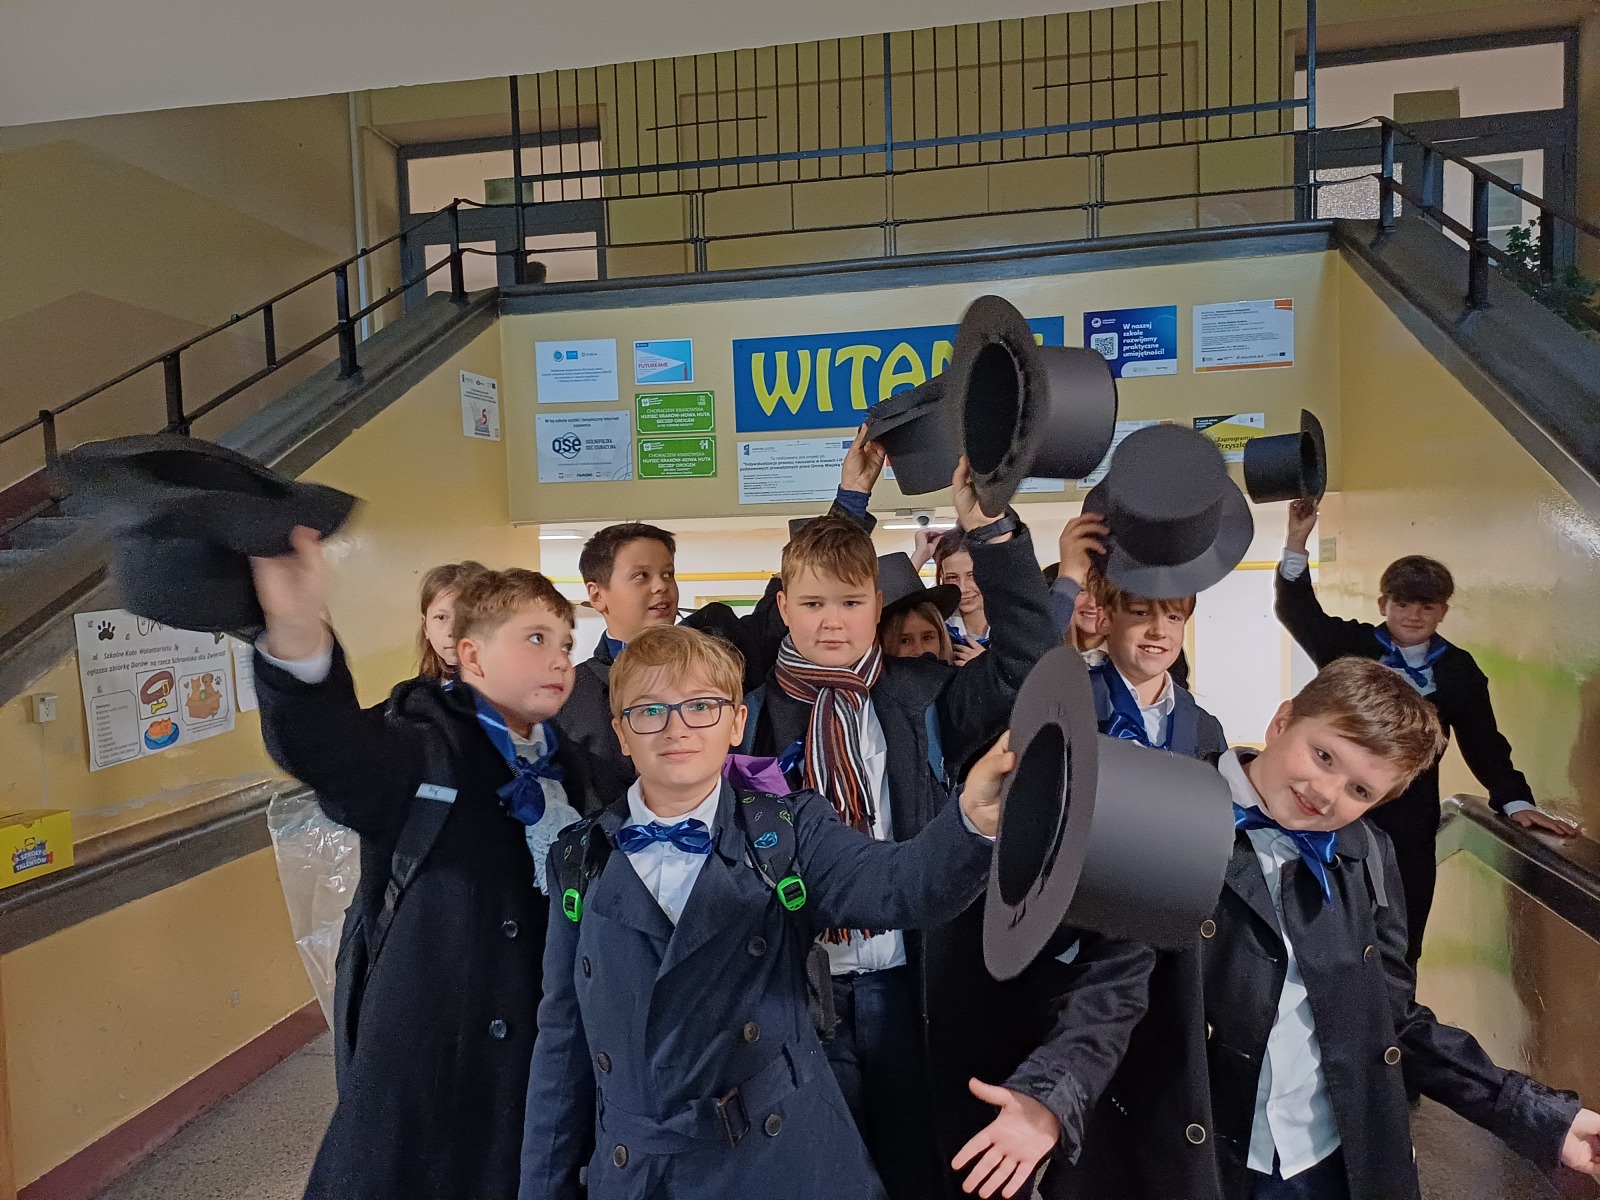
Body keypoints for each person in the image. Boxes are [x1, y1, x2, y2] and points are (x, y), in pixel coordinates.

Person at [1038, 656, 1600, 1200]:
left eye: (1361, 791)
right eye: (1324, 756)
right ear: (1282, 721)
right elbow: (1110, 989)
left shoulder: (1365, 854)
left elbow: (1392, 1018)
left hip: (1327, 1162)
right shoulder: (1168, 817)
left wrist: (1540, 1117)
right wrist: (1050, 1096)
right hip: (1188, 1160)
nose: (1327, 793)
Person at [517, 624, 1008, 1200]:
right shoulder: (578, 858)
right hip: (641, 1173)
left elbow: (903, 886)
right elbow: (562, 1040)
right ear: (621, 732)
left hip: (781, 1159)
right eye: (649, 710)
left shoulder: (787, 831)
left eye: (701, 706)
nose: (676, 727)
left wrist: (970, 823)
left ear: (736, 723)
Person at [742, 457, 1059, 1200]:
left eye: (851, 603)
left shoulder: (925, 695)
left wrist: (990, 533)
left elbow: (1029, 664)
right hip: (796, 992)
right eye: (812, 603)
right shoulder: (748, 716)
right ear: (783, 607)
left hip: (909, 984)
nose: (831, 621)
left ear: (876, 605)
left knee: (921, 1174)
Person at [250, 533, 601, 1200]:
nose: (559, 658)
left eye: (565, 642)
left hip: (537, 1064)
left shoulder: (573, 771)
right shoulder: (424, 746)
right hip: (434, 1061)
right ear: (471, 655)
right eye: (535, 639)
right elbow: (330, 751)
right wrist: (297, 634)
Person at [1276, 499, 1574, 964]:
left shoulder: (1457, 669)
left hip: (1409, 824)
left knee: (1403, 930)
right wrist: (1297, 540)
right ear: (1384, 605)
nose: (1412, 615)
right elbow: (1299, 611)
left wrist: (1515, 801)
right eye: (1402, 603)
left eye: (1426, 606)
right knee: (1324, 922)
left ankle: (1396, 1007)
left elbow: (1484, 742)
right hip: (1333, 810)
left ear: (1442, 612)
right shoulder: (1348, 645)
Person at [557, 426, 884, 795]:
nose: (660, 586)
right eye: (641, 576)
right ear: (597, 594)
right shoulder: (575, 693)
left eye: (667, 574)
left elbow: (805, 592)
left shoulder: (721, 641)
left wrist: (851, 499)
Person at [922, 527, 990, 663]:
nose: (962, 588)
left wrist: (985, 666)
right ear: (942, 577)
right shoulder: (936, 627)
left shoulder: (1014, 627)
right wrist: (921, 555)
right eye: (952, 577)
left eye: (972, 576)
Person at [417, 560, 487, 680]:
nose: (452, 631)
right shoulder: (410, 691)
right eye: (441, 617)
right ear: (425, 627)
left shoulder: (513, 685)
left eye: (466, 617)